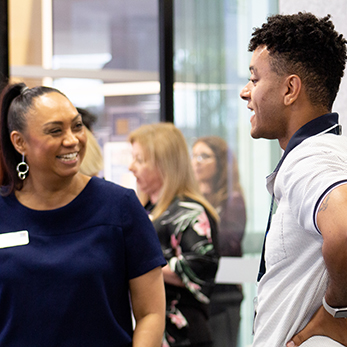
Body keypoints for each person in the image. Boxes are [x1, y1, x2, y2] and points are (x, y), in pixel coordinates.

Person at [0, 83, 166, 347]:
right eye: (55, 131)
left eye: (77, 126)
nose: (72, 139)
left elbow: (151, 314)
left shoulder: (120, 206)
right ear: (20, 142)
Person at [240, 12, 347, 347]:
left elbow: (344, 230)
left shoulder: (311, 158)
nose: (246, 92)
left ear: (290, 89)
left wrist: (335, 310)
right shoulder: (330, 150)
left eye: (255, 80)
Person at [128, 122, 220, 347]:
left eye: (140, 160)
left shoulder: (189, 212)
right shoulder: (146, 209)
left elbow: (200, 266)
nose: (132, 167)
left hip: (182, 335)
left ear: (164, 164)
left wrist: (143, 267)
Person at [191, 136, 246, 347]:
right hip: (199, 296)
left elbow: (225, 245)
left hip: (224, 297)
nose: (196, 161)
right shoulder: (191, 199)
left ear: (221, 163)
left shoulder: (233, 201)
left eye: (204, 156)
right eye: (194, 156)